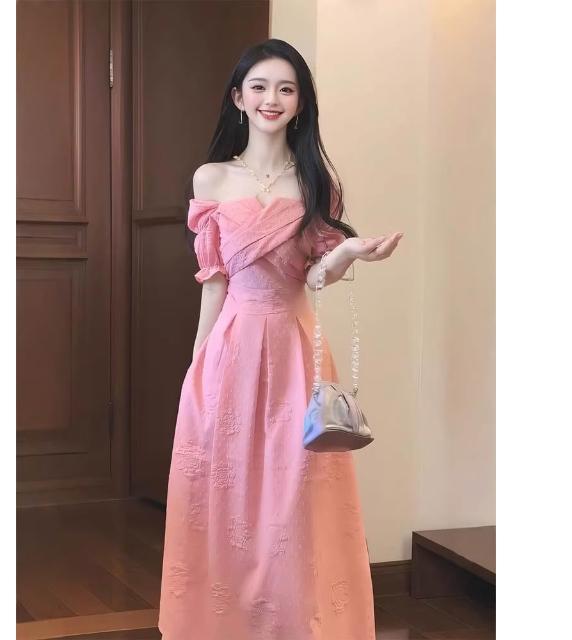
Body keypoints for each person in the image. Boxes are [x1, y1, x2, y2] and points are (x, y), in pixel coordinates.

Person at [158, 38, 403, 640]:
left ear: (300, 103)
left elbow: (314, 277)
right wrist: (197, 367)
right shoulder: (212, 178)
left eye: (286, 88)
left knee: (297, 497)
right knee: (227, 495)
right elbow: (214, 284)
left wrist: (347, 252)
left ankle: (295, 625)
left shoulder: (315, 180)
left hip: (297, 350)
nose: (273, 98)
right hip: (232, 350)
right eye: (261, 86)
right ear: (238, 98)